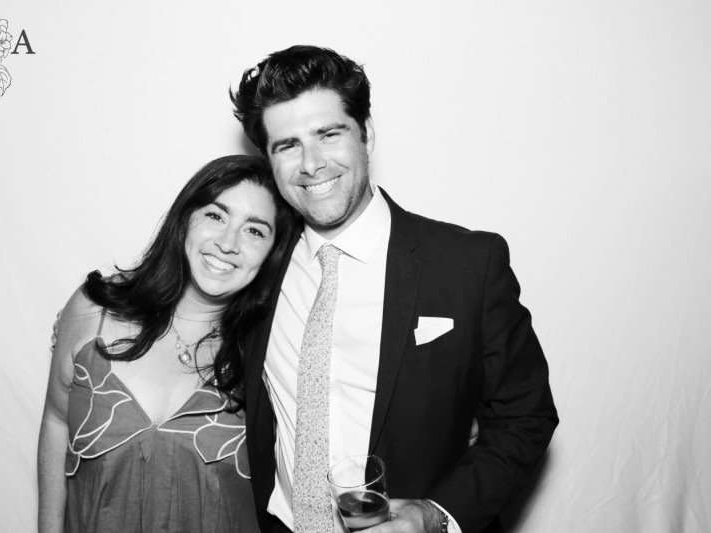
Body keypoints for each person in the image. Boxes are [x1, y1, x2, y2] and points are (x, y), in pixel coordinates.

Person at [231, 46, 559, 533]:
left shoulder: (467, 264)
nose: (311, 163)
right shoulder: (258, 263)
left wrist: (434, 516)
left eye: (328, 134)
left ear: (366, 135)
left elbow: (525, 419)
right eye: (287, 145)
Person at [37, 155, 299, 532]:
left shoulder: (269, 353)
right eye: (216, 216)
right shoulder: (93, 312)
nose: (228, 242)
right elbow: (56, 419)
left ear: (272, 253)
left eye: (254, 231)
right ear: (185, 219)